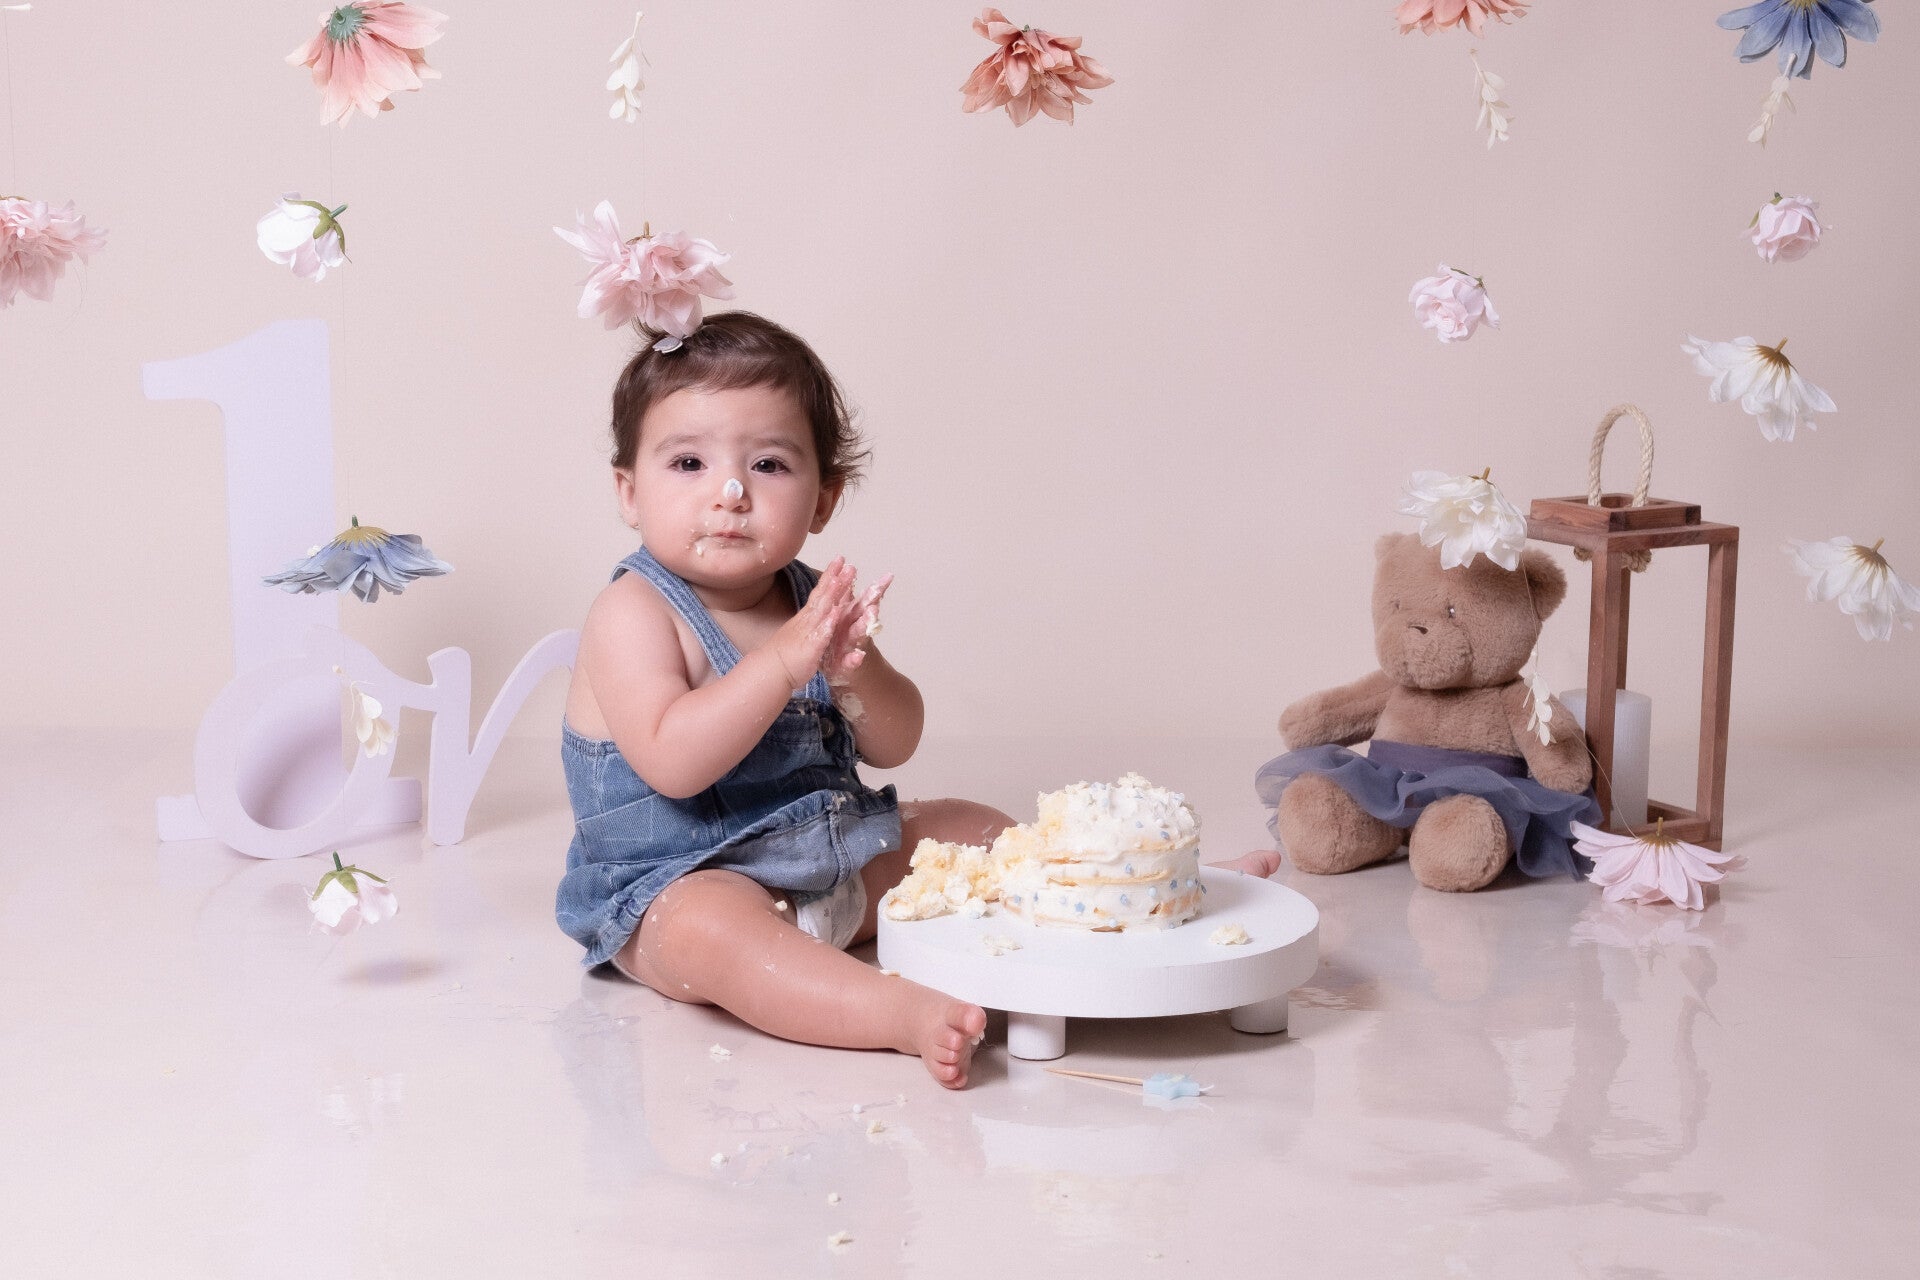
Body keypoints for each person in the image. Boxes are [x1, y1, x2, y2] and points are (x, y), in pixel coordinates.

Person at [557, 311, 1011, 1088]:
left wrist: (851, 673)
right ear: (629, 492)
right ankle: (892, 1012)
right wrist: (779, 663)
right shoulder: (632, 613)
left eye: (768, 465)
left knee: (973, 829)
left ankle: (1122, 897)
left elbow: (895, 742)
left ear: (823, 500)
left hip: (828, 863)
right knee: (710, 933)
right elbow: (673, 762)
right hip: (675, 889)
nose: (730, 492)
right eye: (689, 462)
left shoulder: (813, 602)